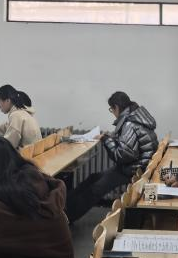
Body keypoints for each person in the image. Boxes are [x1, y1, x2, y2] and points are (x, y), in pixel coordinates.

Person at [65, 91, 158, 223]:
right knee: (93, 178)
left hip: (134, 169)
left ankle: (67, 217)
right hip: (135, 165)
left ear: (117, 107)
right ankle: (64, 207)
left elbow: (122, 155)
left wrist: (106, 140)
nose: (112, 113)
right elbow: (130, 145)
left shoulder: (129, 123)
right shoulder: (135, 117)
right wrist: (110, 137)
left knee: (95, 189)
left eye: (111, 109)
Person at [0, 84, 41, 149]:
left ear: (8, 101)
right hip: (30, 153)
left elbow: (7, 145)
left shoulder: (16, 115)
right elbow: (4, 128)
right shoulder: (22, 113)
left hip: (24, 155)